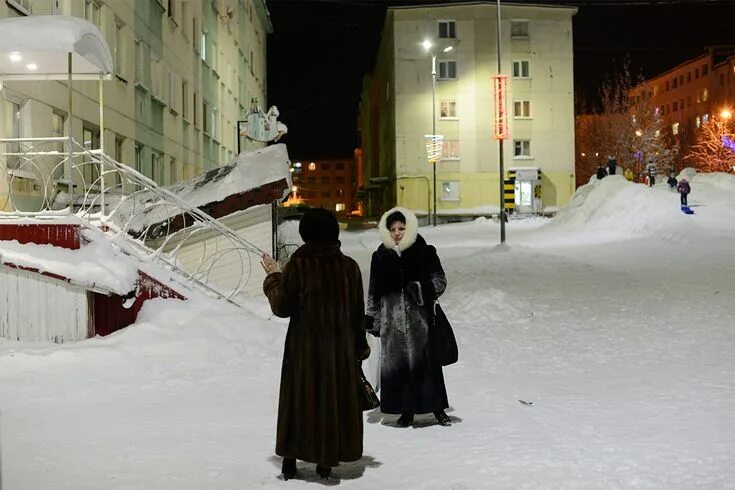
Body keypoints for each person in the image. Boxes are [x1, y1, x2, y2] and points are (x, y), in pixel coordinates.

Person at [261, 208, 369, 480]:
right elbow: (358, 316)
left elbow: (282, 307)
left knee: (300, 402)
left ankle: (290, 458)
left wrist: (274, 277)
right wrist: (359, 349)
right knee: (332, 402)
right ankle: (326, 461)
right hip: (339, 353)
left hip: (304, 351)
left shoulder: (299, 265)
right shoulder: (350, 268)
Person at [365, 206, 452, 428]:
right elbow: (374, 291)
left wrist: (421, 288)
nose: (397, 233)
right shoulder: (381, 255)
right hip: (391, 323)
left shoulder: (424, 250)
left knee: (428, 367)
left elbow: (440, 281)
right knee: (399, 368)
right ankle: (406, 410)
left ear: (409, 228)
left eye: (401, 228)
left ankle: (437, 408)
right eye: (392, 228)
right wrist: (372, 319)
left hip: (420, 322)